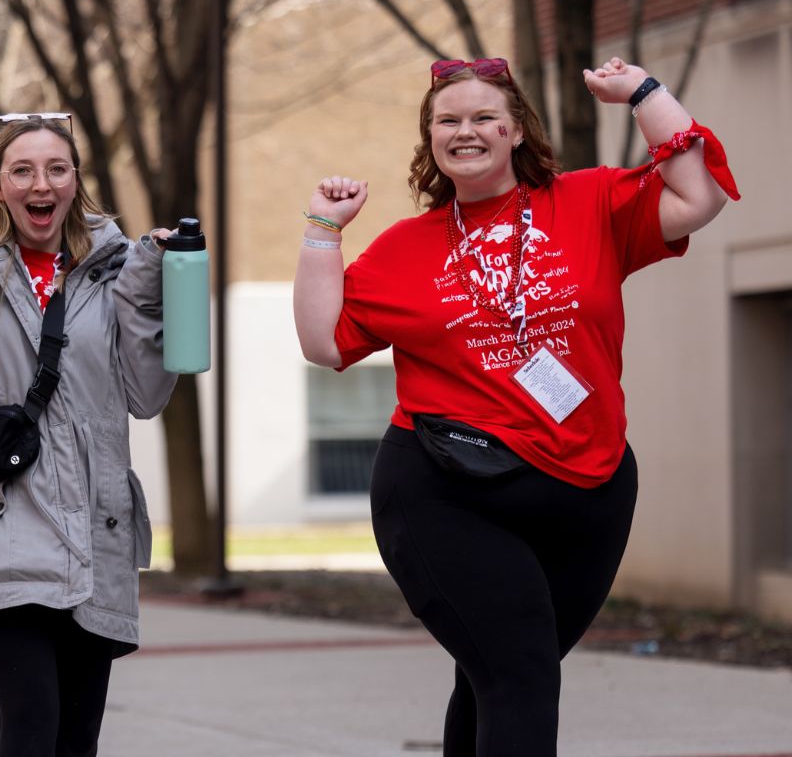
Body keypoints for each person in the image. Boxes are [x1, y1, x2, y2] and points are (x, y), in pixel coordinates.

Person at [292, 57, 737, 755]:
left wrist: (644, 93)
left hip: (590, 484)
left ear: (516, 131)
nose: (464, 132)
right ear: (430, 138)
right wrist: (323, 230)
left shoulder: (589, 202)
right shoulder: (404, 249)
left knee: (499, 676)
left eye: (482, 118)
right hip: (447, 489)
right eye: (447, 121)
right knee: (519, 672)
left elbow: (699, 197)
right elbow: (324, 340)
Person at [0, 113, 179, 757]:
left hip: (94, 532)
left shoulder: (112, 268)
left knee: (74, 740)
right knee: (30, 723)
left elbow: (146, 395)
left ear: (75, 181)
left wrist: (142, 290)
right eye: (22, 170)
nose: (39, 183)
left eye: (55, 169)